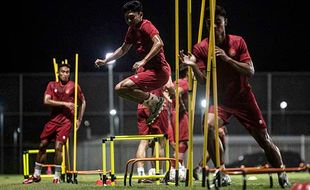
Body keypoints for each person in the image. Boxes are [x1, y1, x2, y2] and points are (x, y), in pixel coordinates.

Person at [179, 5, 290, 188]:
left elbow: (250, 70)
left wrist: (227, 59)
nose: (214, 27)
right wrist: (192, 66)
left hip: (243, 98)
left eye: (218, 23)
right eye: (210, 24)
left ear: (225, 23)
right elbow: (204, 80)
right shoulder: (201, 48)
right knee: (207, 126)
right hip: (221, 101)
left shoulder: (237, 42)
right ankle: (221, 172)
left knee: (264, 139)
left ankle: (282, 172)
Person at [95, 0, 171, 125]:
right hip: (150, 72)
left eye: (131, 17)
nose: (129, 21)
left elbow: (159, 43)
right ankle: (153, 102)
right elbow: (123, 49)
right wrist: (105, 60)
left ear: (140, 14)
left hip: (159, 72)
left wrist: (143, 61)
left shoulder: (146, 25)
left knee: (122, 87)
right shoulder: (131, 30)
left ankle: (155, 102)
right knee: (120, 89)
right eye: (126, 19)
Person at [22, 63, 86, 184]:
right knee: (42, 145)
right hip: (53, 120)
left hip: (66, 122)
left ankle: (57, 177)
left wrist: (79, 119)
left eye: (67, 72)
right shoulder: (51, 85)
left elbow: (83, 101)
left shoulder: (74, 86)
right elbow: (46, 101)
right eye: (63, 71)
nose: (65, 74)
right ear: (58, 73)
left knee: (58, 147)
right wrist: (65, 104)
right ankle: (36, 175)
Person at [135, 79, 172, 183]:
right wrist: (172, 94)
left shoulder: (140, 68)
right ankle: (158, 174)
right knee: (159, 142)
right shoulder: (162, 66)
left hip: (142, 106)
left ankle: (141, 174)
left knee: (143, 142)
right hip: (158, 106)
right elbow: (169, 86)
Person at [166, 67, 189, 182]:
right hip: (180, 115)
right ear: (188, 72)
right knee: (182, 144)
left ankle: (177, 169)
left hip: (172, 114)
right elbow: (177, 92)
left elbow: (167, 91)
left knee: (176, 144)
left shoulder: (175, 82)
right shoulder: (184, 82)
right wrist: (180, 105)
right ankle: (175, 170)